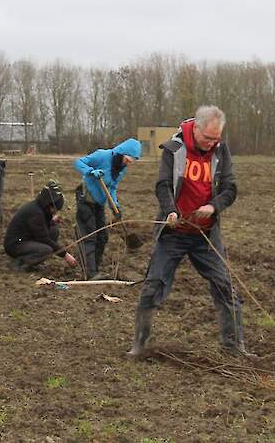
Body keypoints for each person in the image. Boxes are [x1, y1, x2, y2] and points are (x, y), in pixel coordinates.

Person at [128, 105, 254, 359]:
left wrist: (213, 206)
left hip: (205, 235)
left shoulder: (221, 150)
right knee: (153, 286)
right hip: (174, 233)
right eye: (208, 138)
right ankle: (139, 345)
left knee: (226, 288)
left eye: (216, 138)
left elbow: (230, 188)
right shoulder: (174, 149)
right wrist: (170, 211)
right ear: (195, 128)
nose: (212, 143)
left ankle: (234, 347)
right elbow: (163, 185)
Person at [73, 138, 141, 280]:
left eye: (130, 162)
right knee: (90, 235)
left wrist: (115, 206)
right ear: (121, 153)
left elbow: (112, 188)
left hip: (99, 203)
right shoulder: (102, 155)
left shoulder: (121, 170)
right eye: (127, 160)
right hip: (85, 198)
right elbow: (79, 162)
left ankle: (94, 269)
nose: (127, 164)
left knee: (102, 237)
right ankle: (89, 273)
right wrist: (90, 171)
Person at [3, 181, 78, 272]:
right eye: (55, 209)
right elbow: (43, 238)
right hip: (15, 245)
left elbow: (42, 227)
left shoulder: (40, 208)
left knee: (54, 231)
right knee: (46, 250)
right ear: (49, 204)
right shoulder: (35, 213)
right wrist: (65, 255)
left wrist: (52, 222)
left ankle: (34, 261)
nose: (55, 212)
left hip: (26, 239)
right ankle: (19, 263)